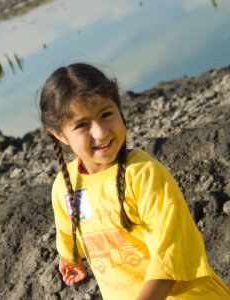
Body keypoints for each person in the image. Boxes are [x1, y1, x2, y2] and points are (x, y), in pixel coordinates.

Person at [39, 63, 230, 299]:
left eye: (106, 114)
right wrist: (69, 258)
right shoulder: (65, 185)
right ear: (59, 135)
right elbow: (67, 229)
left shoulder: (144, 175)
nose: (100, 132)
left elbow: (167, 258)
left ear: (119, 109)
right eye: (82, 125)